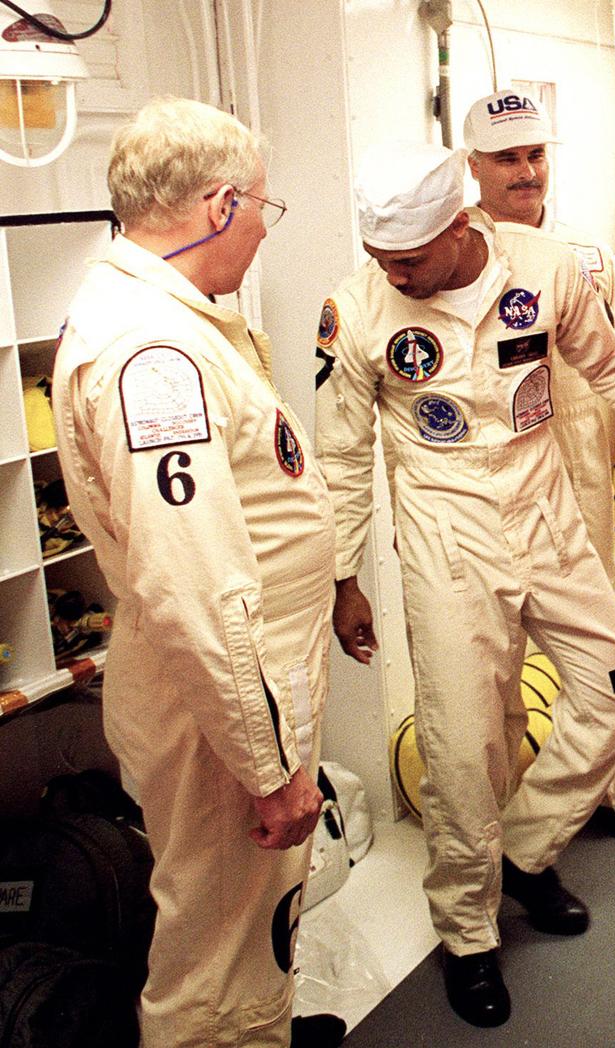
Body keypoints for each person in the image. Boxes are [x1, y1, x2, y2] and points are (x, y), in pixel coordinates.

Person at [314, 140, 615, 1029]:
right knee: (465, 747)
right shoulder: (357, 312)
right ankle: (469, 934)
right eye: (381, 259)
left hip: (546, 516)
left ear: (460, 224)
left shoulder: (545, 271)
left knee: (614, 688)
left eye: (410, 258)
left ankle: (527, 850)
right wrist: (342, 578)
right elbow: (344, 453)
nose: (394, 273)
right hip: (446, 543)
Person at [50, 97, 345, 1048]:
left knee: (246, 931)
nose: (264, 227)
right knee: (215, 954)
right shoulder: (155, 353)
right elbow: (195, 584)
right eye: (264, 206)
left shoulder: (171, 316)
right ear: (220, 205)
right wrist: (268, 769)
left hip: (236, 689)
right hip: (217, 708)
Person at [461, 88, 615, 851]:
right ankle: (508, 818)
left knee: (602, 650)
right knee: (497, 665)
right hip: (487, 491)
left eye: (535, 155)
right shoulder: (455, 261)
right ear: (473, 165)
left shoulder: (590, 259)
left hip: (579, 473)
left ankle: (606, 790)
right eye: (507, 158)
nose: (526, 172)